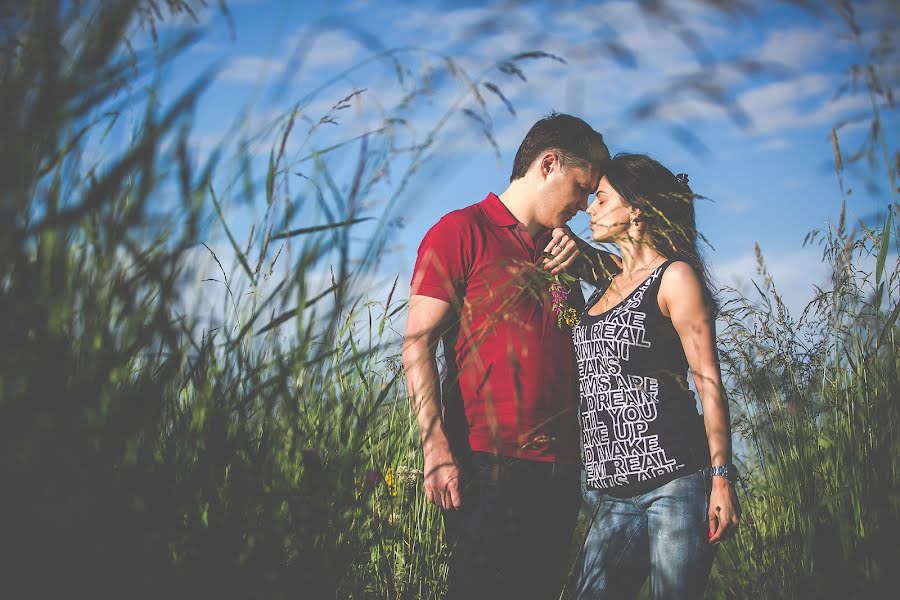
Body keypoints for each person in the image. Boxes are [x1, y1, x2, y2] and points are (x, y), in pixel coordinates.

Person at [402, 113, 616, 600]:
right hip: (486, 462)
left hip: (561, 467)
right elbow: (417, 342)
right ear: (548, 165)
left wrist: (584, 258)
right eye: (582, 188)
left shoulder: (566, 251)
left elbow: (645, 282)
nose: (585, 206)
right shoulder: (460, 231)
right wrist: (435, 448)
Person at [571, 154, 740, 599]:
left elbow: (708, 382)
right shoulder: (602, 288)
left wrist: (721, 478)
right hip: (612, 494)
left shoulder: (675, 278)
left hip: (677, 482)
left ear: (637, 210)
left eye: (601, 198)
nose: (590, 208)